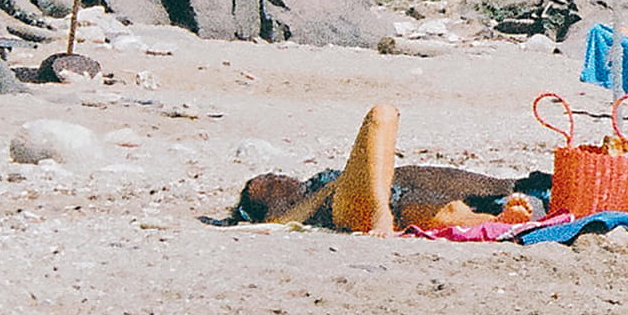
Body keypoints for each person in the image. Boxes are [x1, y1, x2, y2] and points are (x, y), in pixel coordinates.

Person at [234, 105, 550, 233]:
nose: (272, 177)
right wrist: (332, 189)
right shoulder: (286, 214)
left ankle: (497, 219)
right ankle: (381, 213)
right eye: (262, 184)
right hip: (352, 207)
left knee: (442, 212)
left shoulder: (310, 186)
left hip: (394, 199)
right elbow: (279, 223)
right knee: (382, 114)